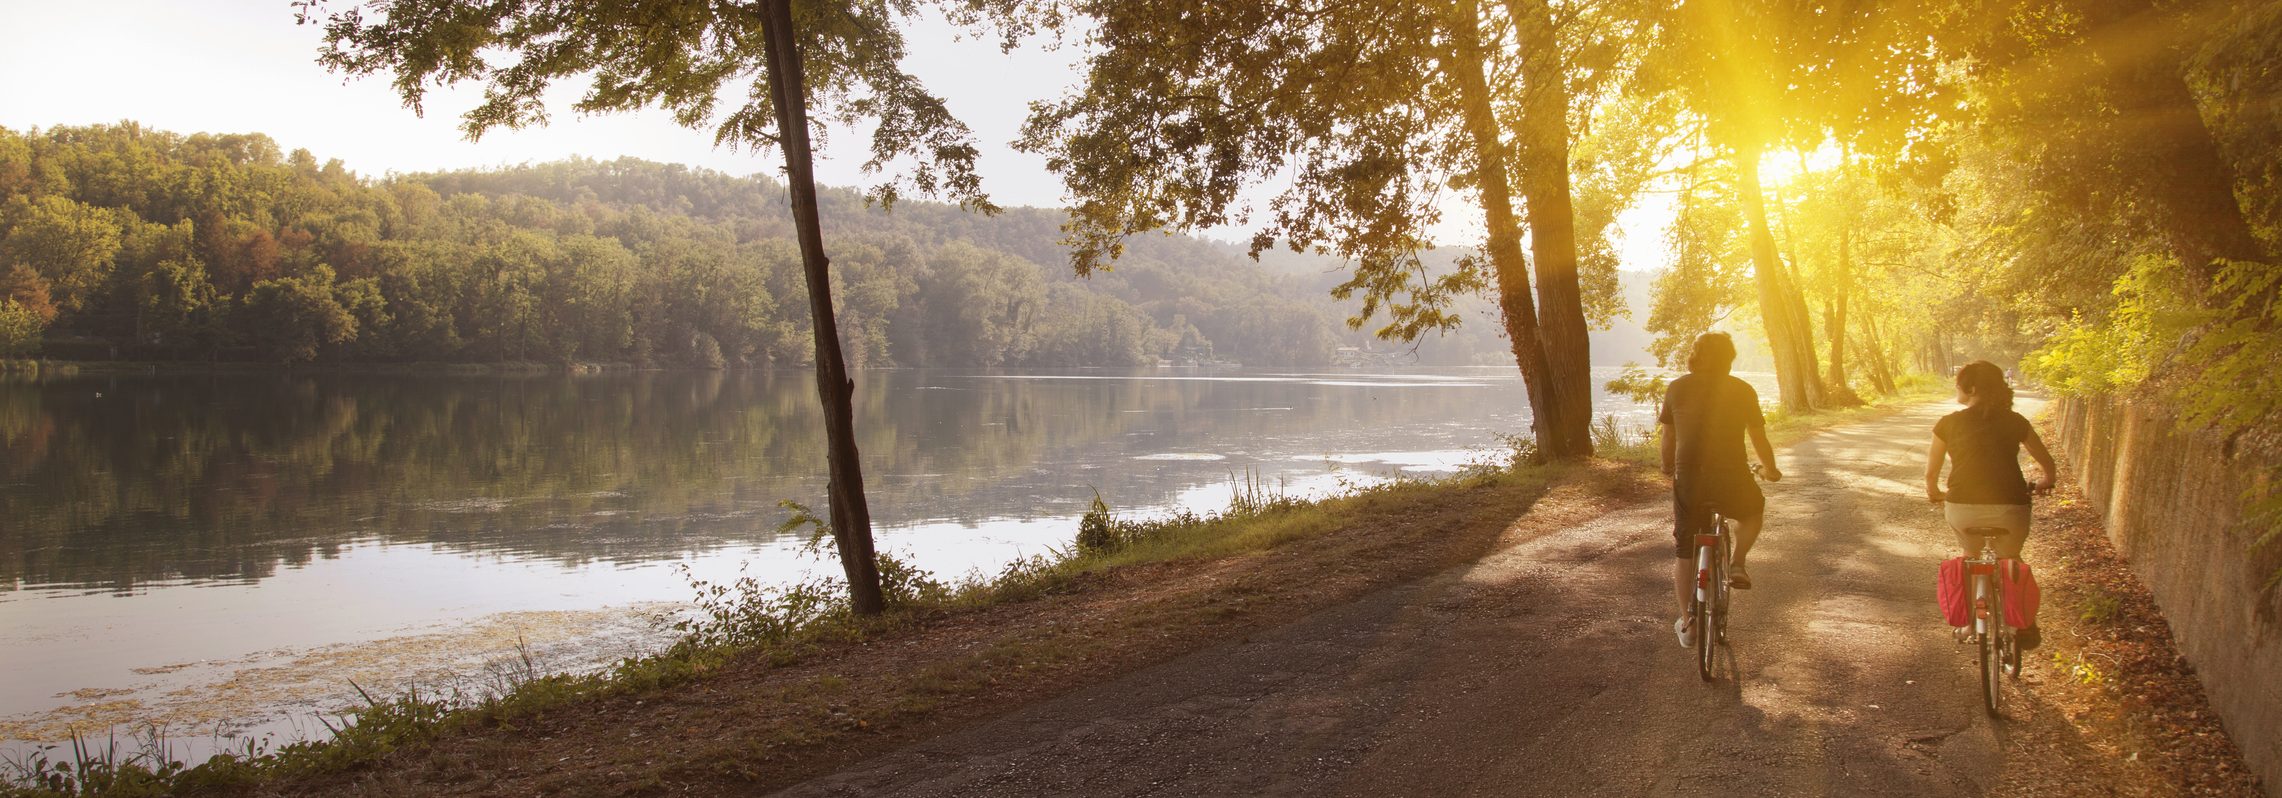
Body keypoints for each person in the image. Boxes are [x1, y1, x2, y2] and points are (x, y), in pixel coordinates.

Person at [1660, 332, 1781, 647]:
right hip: (1732, 476)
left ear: (1695, 356)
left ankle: (1688, 623)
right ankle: (1737, 562)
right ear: (1730, 357)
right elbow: (1758, 438)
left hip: (1689, 479)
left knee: (1684, 550)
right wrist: (1771, 470)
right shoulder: (1742, 390)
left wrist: (1667, 468)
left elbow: (1669, 439)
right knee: (1753, 511)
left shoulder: (1677, 388)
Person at [1925, 360, 2057, 643]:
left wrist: (1934, 493)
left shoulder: (1948, 423)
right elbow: (2046, 461)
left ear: (1971, 388)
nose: (1956, 388)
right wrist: (2047, 480)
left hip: (1962, 508)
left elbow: (1931, 471)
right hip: (2011, 506)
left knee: (1970, 557)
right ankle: (2024, 623)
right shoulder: (2016, 422)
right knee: (2010, 559)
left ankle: (1970, 625)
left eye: (1959, 383)